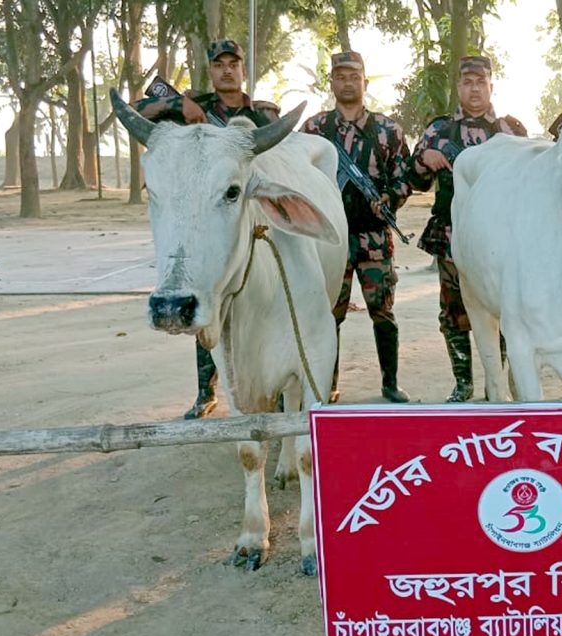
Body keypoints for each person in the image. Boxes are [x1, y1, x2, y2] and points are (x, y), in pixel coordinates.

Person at [135, 38, 280, 419]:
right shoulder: (193, 106)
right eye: (219, 64)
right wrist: (177, 104)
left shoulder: (262, 116)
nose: (227, 70)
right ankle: (206, 391)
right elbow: (139, 110)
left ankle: (273, 387)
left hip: (246, 227)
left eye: (234, 64)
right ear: (211, 70)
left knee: (257, 315)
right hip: (198, 229)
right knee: (203, 306)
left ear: (243, 70)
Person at [407, 56, 527, 402]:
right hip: (449, 235)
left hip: (502, 238)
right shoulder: (438, 130)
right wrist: (423, 159)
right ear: (458, 87)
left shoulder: (510, 131)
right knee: (454, 313)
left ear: (491, 85)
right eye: (467, 83)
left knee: (504, 309)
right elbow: (414, 180)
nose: (474, 89)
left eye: (480, 82)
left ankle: (499, 384)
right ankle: (463, 384)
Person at [299, 52, 412, 403]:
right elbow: (300, 175)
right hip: (329, 238)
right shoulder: (315, 129)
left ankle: (390, 383)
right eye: (340, 76)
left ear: (364, 81)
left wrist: (388, 200)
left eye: (354, 76)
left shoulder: (388, 129)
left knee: (383, 312)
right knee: (329, 313)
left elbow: (404, 177)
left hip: (374, 237)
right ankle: (327, 385)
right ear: (331, 81)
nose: (347, 82)